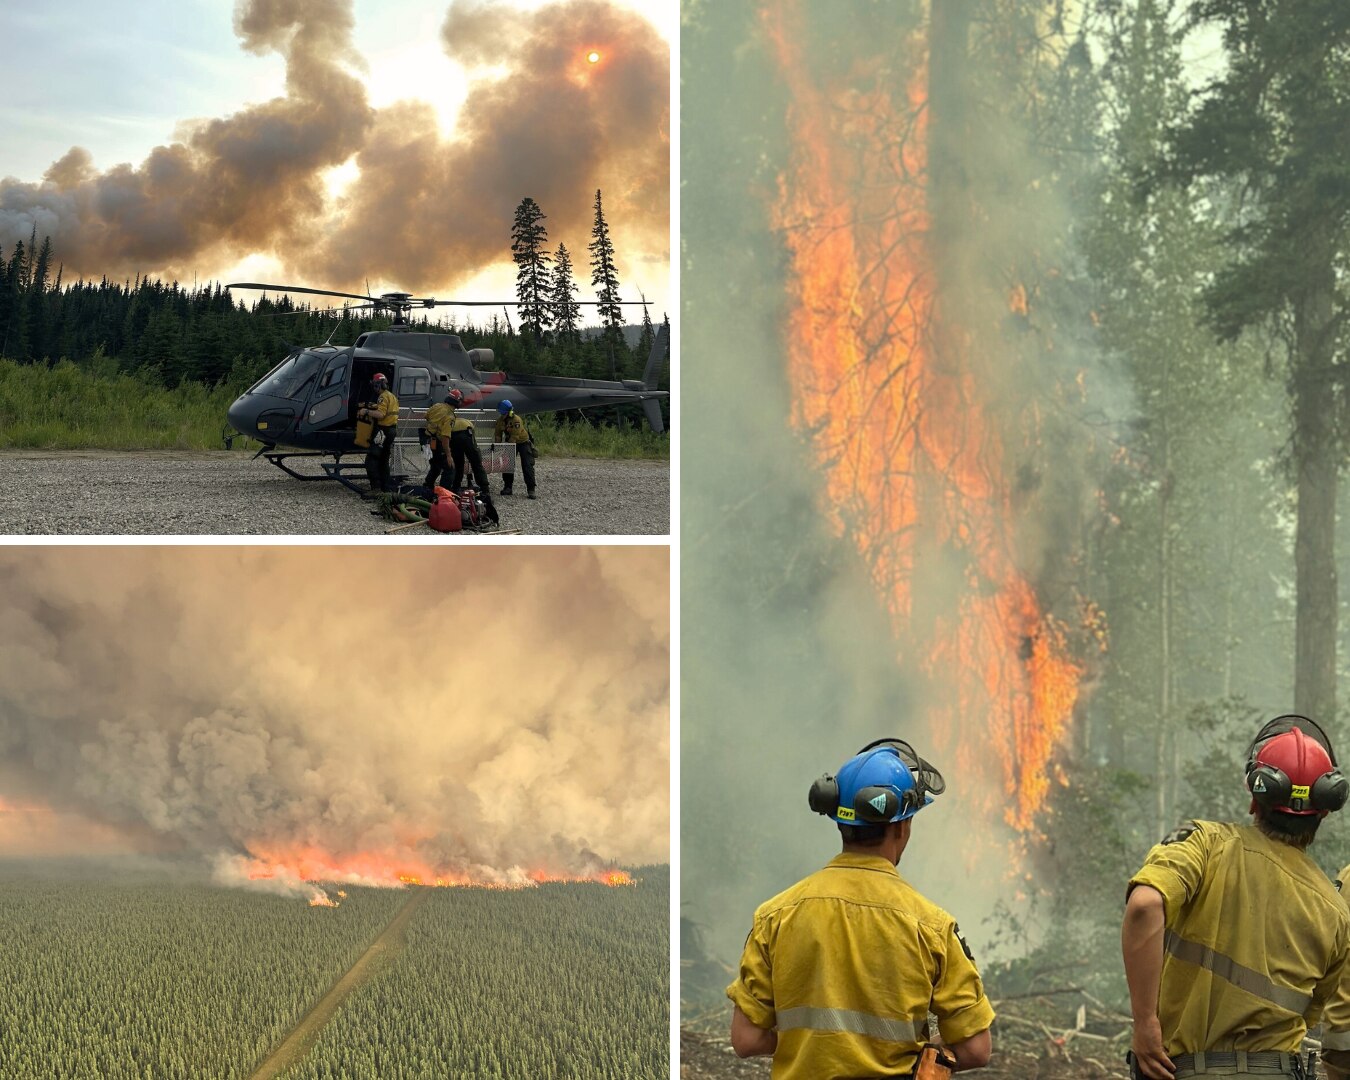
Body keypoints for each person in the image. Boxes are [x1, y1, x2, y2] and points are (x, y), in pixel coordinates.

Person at [726, 738, 995, 1079]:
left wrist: (808, 1045)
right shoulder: (930, 927)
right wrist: (928, 1053)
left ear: (839, 819)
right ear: (901, 826)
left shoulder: (775, 916)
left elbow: (746, 1040)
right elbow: (975, 1048)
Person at [1122, 715, 1350, 1080]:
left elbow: (1145, 906)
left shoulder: (1204, 844)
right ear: (1324, 810)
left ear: (1254, 799)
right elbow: (1310, 1020)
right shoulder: (1336, 911)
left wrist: (1145, 1023)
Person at [359, 372, 399, 492]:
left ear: (378, 385)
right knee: (384, 460)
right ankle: (386, 487)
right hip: (392, 431)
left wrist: (366, 411)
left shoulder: (382, 397)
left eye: (375, 386)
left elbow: (381, 415)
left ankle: (376, 488)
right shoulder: (391, 396)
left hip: (383, 432)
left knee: (372, 459)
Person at [492, 399, 536, 498]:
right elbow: (498, 435)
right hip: (510, 443)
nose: (502, 415)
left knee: (527, 465)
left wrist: (506, 449)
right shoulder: (500, 421)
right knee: (507, 464)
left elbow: (514, 437)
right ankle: (508, 487)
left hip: (522, 442)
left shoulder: (516, 420)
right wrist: (497, 449)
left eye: (503, 413)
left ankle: (531, 489)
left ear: (509, 412)